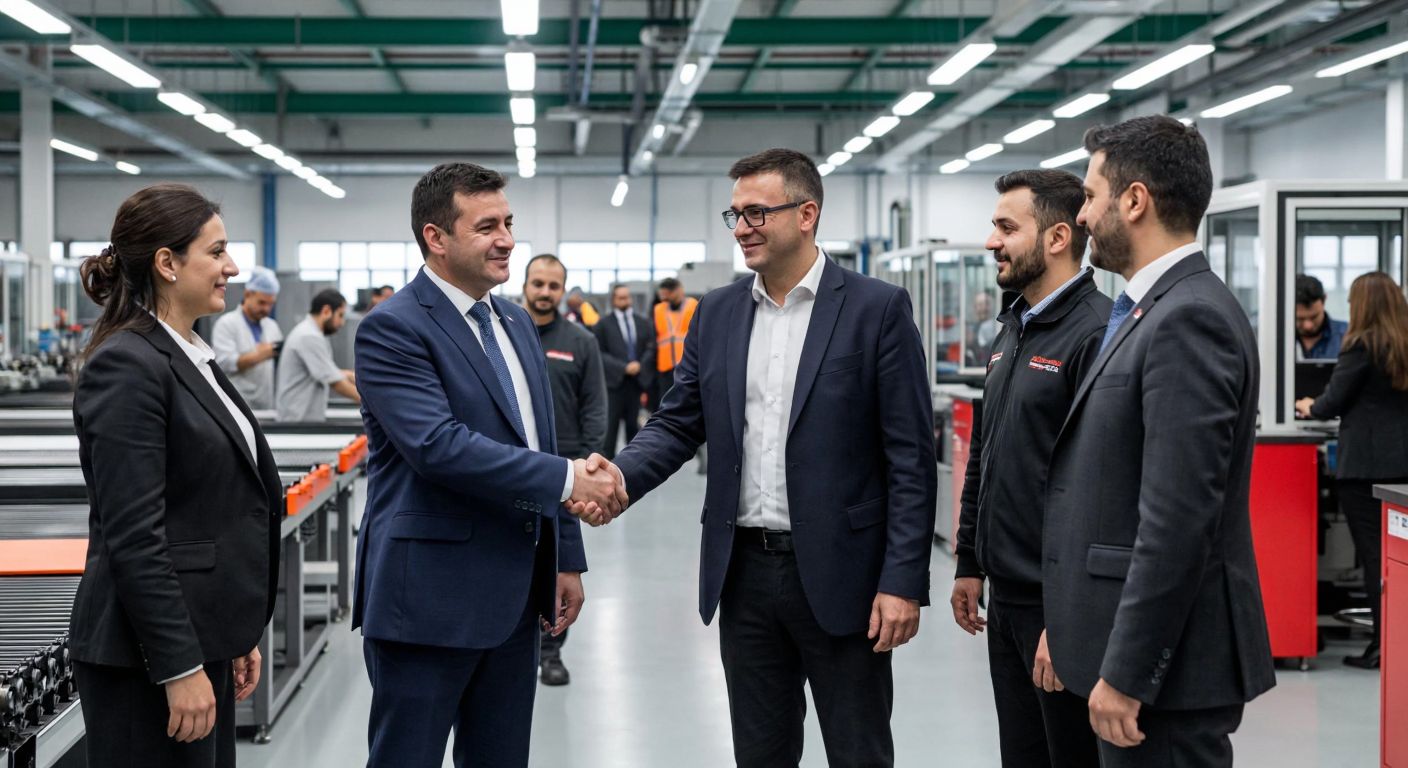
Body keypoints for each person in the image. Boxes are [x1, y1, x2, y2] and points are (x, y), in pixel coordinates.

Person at [573, 148, 937, 767]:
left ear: (807, 214)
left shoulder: (876, 309)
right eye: (734, 214)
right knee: (760, 752)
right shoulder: (716, 312)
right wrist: (619, 477)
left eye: (756, 213)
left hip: (844, 576)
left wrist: (902, 580)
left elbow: (910, 456)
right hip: (744, 574)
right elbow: (679, 420)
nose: (741, 228)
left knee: (860, 751)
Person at [352, 162, 624, 768]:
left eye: (508, 223)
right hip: (427, 602)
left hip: (515, 599)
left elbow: (544, 442)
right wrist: (569, 480)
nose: (506, 238)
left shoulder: (516, 322)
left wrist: (566, 558)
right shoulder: (393, 328)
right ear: (436, 237)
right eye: (486, 226)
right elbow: (438, 446)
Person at [1043, 115, 1276, 768]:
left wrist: (1128, 672)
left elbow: (1178, 521)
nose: (1083, 216)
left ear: (1135, 200)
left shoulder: (1189, 319)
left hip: (1163, 682)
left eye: (1090, 196)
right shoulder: (1150, 311)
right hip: (1136, 660)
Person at [69, 184, 282, 768]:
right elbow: (135, 535)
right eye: (216, 252)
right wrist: (179, 664)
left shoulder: (188, 353)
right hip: (145, 658)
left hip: (196, 636)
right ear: (167, 263)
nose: (232, 268)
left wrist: (231, 634)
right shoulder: (127, 364)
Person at [951, 169, 1109, 768]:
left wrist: (1070, 620)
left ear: (1058, 237)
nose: (992, 240)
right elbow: (986, 458)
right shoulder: (1013, 328)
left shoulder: (1095, 333)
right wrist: (970, 560)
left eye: (1006, 227)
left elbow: (1099, 491)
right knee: (1020, 755)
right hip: (1008, 601)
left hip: (1058, 607)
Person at [1296, 271, 1408, 669]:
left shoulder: (1359, 345)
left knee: (1374, 558)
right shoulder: (1402, 344)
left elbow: (1332, 402)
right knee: (1397, 557)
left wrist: (1310, 405)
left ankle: (1383, 647)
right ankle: (1396, 643)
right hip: (1401, 467)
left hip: (1364, 468)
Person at [522, 253, 609, 686]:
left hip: (565, 474)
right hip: (513, 469)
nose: (544, 292)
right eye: (538, 283)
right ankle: (513, 644)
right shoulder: (504, 335)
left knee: (561, 563)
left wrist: (589, 468)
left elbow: (595, 407)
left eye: (553, 285)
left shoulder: (580, 341)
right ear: (525, 285)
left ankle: (552, 650)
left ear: (563, 291)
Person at [275, 289, 359, 421]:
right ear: (326, 311)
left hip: (301, 418)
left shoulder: (311, 332)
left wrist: (351, 376)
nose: (342, 323)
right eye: (340, 315)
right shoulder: (309, 336)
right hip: (297, 421)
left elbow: (330, 372)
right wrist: (371, 402)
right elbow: (335, 382)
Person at [594, 283, 656, 458]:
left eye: (627, 297)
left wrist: (639, 365)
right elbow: (600, 352)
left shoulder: (643, 323)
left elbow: (651, 348)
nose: (625, 300)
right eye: (621, 297)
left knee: (634, 432)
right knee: (610, 431)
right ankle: (607, 469)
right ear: (614, 300)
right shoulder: (603, 325)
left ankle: (633, 471)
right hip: (614, 385)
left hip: (636, 384)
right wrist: (623, 367)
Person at [210, 267, 283, 411]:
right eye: (262, 303)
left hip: (266, 403)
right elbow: (223, 364)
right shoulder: (227, 324)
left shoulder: (271, 326)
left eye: (271, 304)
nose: (267, 309)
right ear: (248, 294)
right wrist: (260, 355)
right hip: (237, 403)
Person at [652, 276, 696, 407]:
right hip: (665, 366)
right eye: (663, 295)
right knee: (666, 404)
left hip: (687, 364)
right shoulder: (658, 309)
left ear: (679, 290)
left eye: (669, 294)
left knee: (686, 402)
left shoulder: (693, 305)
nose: (665, 298)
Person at [1295, 273, 1348, 360]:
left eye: (1314, 317)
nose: (1308, 326)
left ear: (1324, 300)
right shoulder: (1275, 339)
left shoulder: (1349, 336)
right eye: (1299, 319)